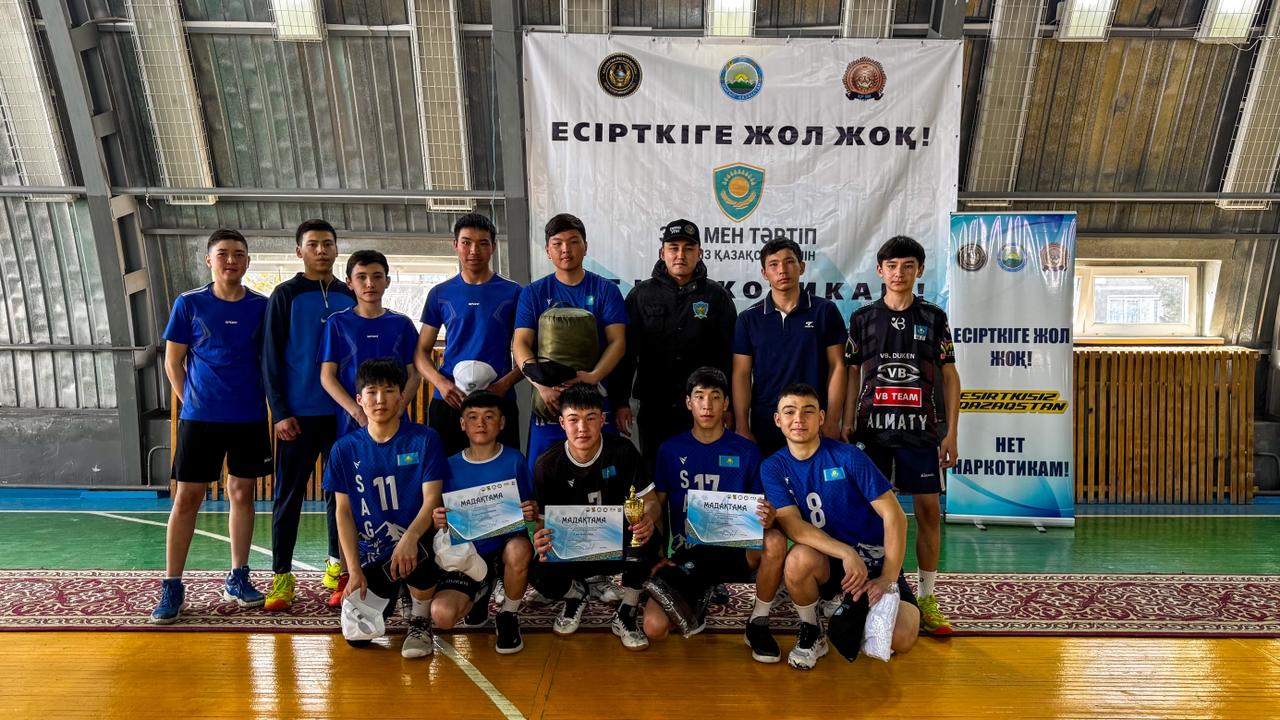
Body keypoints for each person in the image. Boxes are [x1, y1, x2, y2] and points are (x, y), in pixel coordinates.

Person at [151, 229, 271, 624]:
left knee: (242, 493)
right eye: (223, 254)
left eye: (239, 254)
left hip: (249, 417)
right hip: (200, 419)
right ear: (209, 260)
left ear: (247, 261)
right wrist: (192, 402)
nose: (231, 260)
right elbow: (173, 362)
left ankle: (238, 576)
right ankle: (172, 584)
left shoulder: (262, 306)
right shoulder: (189, 303)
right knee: (188, 497)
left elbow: (269, 360)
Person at [842, 235, 960, 635]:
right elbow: (852, 372)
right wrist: (845, 421)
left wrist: (951, 432)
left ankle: (927, 597)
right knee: (866, 514)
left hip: (921, 434)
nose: (899, 273)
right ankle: (861, 589)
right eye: (891, 266)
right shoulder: (862, 318)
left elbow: (949, 375)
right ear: (880, 271)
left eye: (908, 266)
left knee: (927, 513)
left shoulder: (934, 317)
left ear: (919, 270)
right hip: (871, 434)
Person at [762, 383, 919, 670]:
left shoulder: (848, 457)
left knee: (902, 638)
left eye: (808, 411)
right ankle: (814, 631)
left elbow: (895, 516)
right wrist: (846, 552)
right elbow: (794, 527)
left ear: (821, 417)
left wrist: (887, 577)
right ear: (777, 419)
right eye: (790, 412)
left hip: (874, 562)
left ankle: (850, 608)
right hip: (829, 562)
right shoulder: (773, 466)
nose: (799, 419)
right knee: (797, 559)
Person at [642, 367, 787, 663]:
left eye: (715, 397)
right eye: (699, 397)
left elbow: (762, 510)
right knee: (654, 628)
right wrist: (657, 555)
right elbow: (657, 507)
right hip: (689, 551)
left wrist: (768, 516)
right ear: (688, 403)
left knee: (774, 540)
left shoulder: (747, 451)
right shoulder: (670, 450)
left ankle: (758, 622)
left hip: (734, 551)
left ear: (726, 404)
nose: (707, 405)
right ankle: (701, 592)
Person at [262, 219, 357, 611]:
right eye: (313, 244)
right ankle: (282, 577)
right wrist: (280, 412)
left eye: (328, 243)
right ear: (299, 251)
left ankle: (337, 567)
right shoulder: (285, 295)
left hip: (343, 417)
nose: (321, 250)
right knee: (289, 495)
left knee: (342, 496)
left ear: (336, 249)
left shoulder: (350, 294)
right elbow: (269, 357)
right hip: (297, 417)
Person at [327, 359, 449, 659]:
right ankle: (399, 590)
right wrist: (353, 571)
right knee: (358, 638)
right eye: (372, 392)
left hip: (418, 543)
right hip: (375, 553)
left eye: (389, 391)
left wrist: (410, 538)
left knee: (419, 550)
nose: (380, 399)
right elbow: (343, 512)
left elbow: (432, 499)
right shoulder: (344, 449)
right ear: (359, 399)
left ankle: (420, 619)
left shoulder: (425, 439)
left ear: (401, 396)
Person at [529, 384, 659, 650]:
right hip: (573, 549)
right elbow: (542, 521)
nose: (582, 428)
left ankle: (627, 610)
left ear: (602, 419)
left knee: (648, 537)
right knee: (537, 571)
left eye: (590, 418)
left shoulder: (623, 451)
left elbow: (651, 502)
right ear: (562, 423)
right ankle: (576, 593)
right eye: (573, 420)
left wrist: (647, 518)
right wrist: (539, 536)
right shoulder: (547, 464)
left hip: (616, 544)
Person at [614, 219, 737, 475]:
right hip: (655, 407)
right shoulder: (640, 296)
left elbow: (728, 357)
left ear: (700, 253)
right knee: (655, 473)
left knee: (702, 474)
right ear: (662, 253)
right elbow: (626, 355)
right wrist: (620, 402)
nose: (681, 255)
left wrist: (730, 406)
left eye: (689, 248)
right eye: (674, 248)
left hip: (702, 409)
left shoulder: (717, 296)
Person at [513, 213, 627, 474]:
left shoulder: (606, 290)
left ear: (585, 247)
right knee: (542, 475)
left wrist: (593, 377)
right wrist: (541, 386)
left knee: (606, 476)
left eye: (574, 242)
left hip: (594, 402)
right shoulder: (533, 293)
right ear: (548, 251)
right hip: (549, 404)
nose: (566, 249)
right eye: (558, 244)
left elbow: (618, 342)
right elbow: (520, 344)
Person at [430, 392, 537, 654]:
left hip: (503, 550)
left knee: (519, 548)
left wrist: (531, 510)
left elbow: (528, 508)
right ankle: (480, 593)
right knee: (442, 615)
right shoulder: (448, 466)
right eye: (473, 417)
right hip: (466, 554)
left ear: (502, 423)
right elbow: (439, 516)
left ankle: (508, 614)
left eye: (489, 417)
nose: (481, 423)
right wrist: (438, 519)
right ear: (462, 424)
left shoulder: (515, 460)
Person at [416, 214, 523, 455]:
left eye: (482, 243)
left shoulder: (514, 293)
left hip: (498, 401)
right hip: (450, 399)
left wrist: (504, 384)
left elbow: (529, 352)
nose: (474, 250)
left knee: (502, 472)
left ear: (493, 247)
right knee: (445, 471)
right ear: (455, 245)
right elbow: (421, 351)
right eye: (466, 242)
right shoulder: (440, 293)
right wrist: (441, 383)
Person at [732, 238, 846, 456]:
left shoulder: (825, 311)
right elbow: (741, 374)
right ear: (764, 273)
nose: (782, 270)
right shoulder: (748, 319)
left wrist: (832, 421)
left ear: (801, 267)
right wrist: (742, 425)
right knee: (769, 478)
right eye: (773, 264)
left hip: (814, 421)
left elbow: (838, 366)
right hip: (766, 422)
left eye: (789, 262)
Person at [319, 249, 421, 439]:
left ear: (387, 281)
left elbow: (414, 374)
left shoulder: (402, 324)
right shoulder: (337, 324)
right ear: (349, 282)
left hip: (395, 419)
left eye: (377, 276)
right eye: (361, 277)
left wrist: (399, 408)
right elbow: (327, 376)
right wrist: (357, 412)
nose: (370, 283)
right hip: (352, 421)